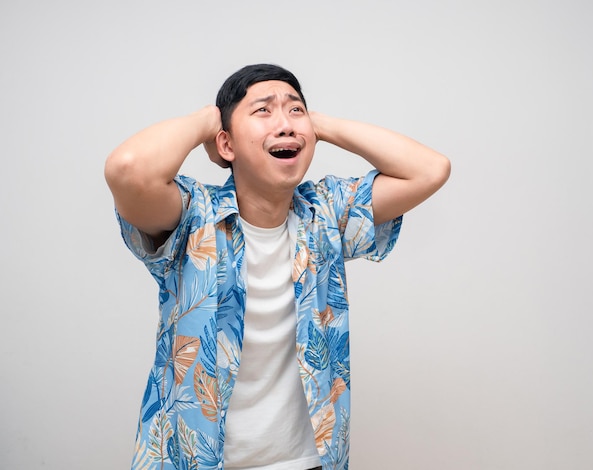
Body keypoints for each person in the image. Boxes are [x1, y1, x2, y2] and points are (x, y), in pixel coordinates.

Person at [105, 64, 450, 470]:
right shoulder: (193, 218)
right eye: (263, 111)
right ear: (226, 144)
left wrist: (316, 124)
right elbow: (127, 169)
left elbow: (431, 169)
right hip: (197, 462)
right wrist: (206, 122)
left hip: (306, 462)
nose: (285, 124)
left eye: (295, 110)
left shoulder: (325, 214)